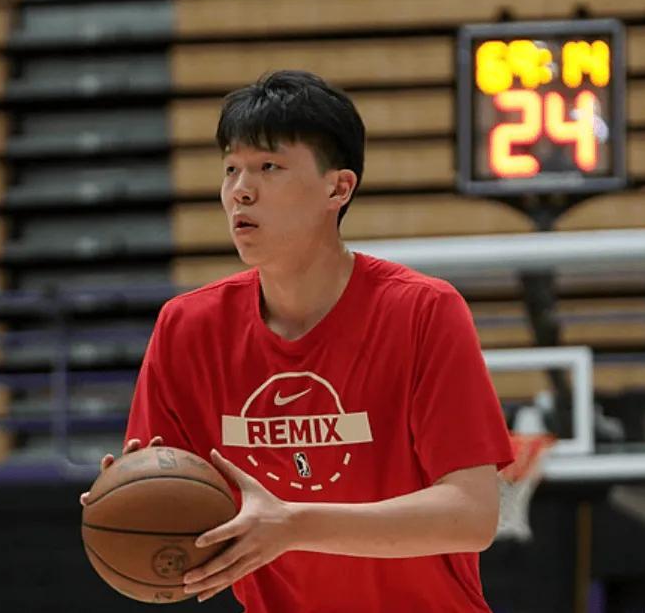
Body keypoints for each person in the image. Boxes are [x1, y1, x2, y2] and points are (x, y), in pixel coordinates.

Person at [81, 70, 514, 612]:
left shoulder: (423, 311)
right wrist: (131, 502)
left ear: (338, 188)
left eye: (269, 167)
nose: (241, 189)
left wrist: (294, 524)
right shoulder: (187, 328)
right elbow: (174, 518)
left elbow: (472, 516)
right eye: (231, 169)